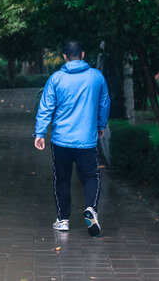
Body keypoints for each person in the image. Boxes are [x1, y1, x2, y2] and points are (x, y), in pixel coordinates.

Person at [34, 40, 110, 237]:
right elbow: (104, 103)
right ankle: (91, 208)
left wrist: (40, 133)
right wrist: (100, 125)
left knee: (62, 180)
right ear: (83, 54)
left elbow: (46, 107)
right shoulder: (96, 77)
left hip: (61, 141)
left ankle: (63, 220)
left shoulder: (56, 78)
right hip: (87, 140)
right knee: (91, 177)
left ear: (64, 57)